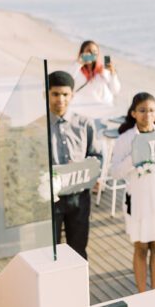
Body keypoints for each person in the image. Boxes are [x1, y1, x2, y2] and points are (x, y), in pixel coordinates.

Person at [111, 92, 155, 293]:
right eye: (142, 110)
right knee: (141, 247)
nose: (147, 114)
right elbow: (115, 172)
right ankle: (142, 292)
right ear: (133, 113)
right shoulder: (126, 139)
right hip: (138, 200)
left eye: (151, 110)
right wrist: (134, 157)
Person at [46, 70, 103, 260]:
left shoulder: (85, 124)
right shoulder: (38, 126)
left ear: (72, 95)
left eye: (65, 94)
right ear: (46, 93)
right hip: (49, 200)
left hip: (79, 197)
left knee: (78, 250)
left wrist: (94, 174)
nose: (60, 99)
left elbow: (96, 156)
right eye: (55, 94)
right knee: (49, 252)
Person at [71, 40, 121, 107]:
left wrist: (113, 73)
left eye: (95, 51)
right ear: (82, 53)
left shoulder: (104, 70)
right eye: (89, 51)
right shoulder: (76, 68)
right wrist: (79, 63)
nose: (92, 54)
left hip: (104, 106)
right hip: (82, 107)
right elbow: (66, 82)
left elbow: (115, 90)